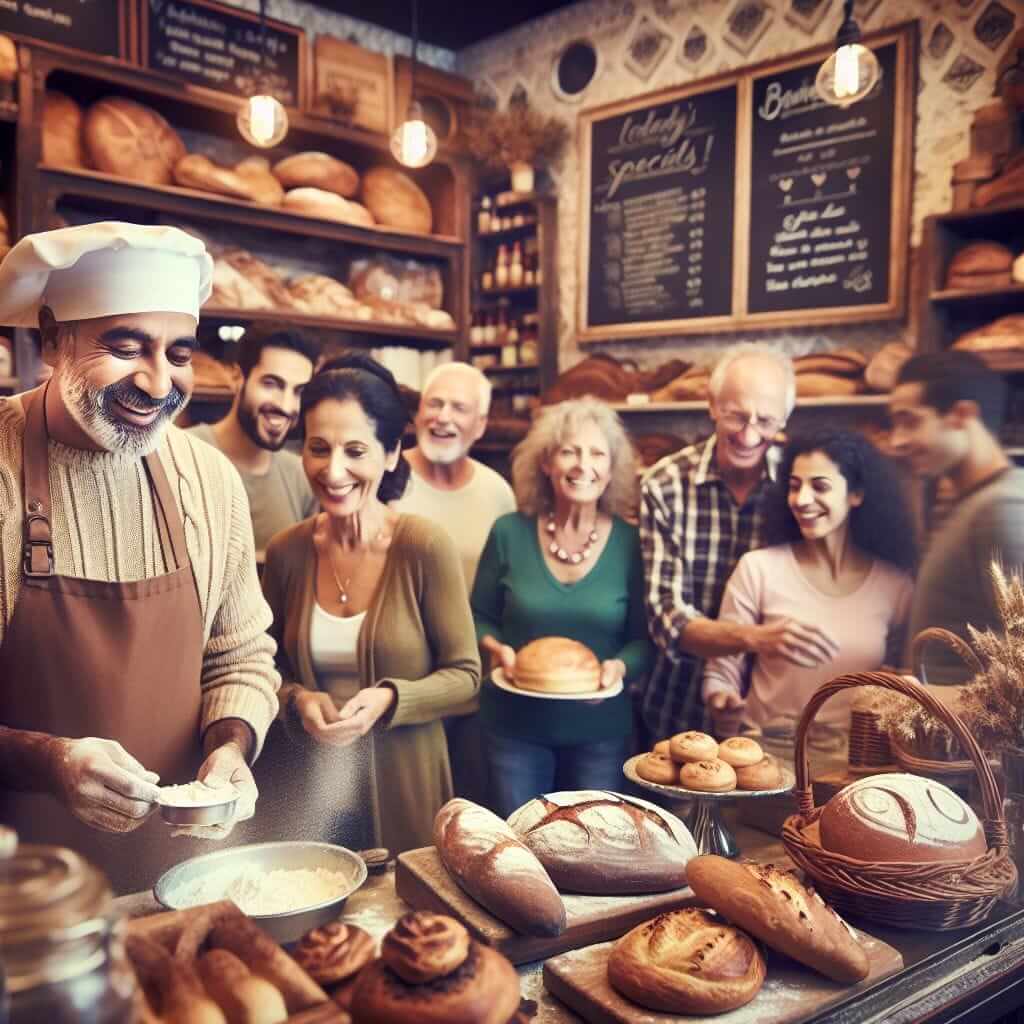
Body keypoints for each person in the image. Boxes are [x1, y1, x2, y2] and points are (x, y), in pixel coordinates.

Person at [0, 222, 280, 893]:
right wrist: (48, 761)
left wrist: (230, 746)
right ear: (51, 340)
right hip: (22, 891)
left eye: (178, 354)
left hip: (179, 875)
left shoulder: (210, 482)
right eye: (127, 348)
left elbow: (240, 657)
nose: (157, 384)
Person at [260, 353, 480, 855]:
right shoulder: (286, 551)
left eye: (355, 450)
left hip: (407, 788)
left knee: (408, 926)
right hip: (308, 792)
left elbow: (467, 678)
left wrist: (389, 699)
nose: (333, 471)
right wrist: (295, 699)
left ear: (390, 453)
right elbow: (260, 668)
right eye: (318, 448)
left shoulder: (424, 546)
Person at [639, 343, 839, 741]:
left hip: (776, 714)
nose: (749, 435)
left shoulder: (797, 486)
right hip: (679, 706)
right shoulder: (664, 485)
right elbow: (666, 618)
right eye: (735, 416)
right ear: (712, 405)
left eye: (765, 421)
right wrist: (755, 638)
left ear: (784, 419)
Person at [472, 398, 654, 816]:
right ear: (546, 463)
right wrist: (496, 649)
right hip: (514, 726)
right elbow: (479, 615)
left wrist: (620, 668)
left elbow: (643, 641)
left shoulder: (632, 543)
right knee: (518, 850)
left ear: (612, 471)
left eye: (596, 454)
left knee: (594, 853)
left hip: (601, 732)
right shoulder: (508, 533)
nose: (581, 465)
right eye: (569, 451)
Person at [702, 429, 916, 759]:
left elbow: (905, 680)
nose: (801, 500)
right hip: (767, 757)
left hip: (854, 763)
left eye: (819, 486)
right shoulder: (758, 568)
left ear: (856, 494)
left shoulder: (896, 585)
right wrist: (721, 697)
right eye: (794, 485)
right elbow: (723, 667)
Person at [392, 361, 515, 804]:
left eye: (458, 408)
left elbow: (506, 589)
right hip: (401, 690)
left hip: (475, 694)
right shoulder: (388, 480)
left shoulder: (498, 493)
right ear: (418, 413)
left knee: (471, 812)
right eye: (434, 403)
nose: (443, 417)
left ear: (479, 424)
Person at [890, 350, 1024, 682]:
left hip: (975, 735)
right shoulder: (972, 504)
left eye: (911, 421)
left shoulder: (1001, 508)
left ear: (962, 415)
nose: (897, 440)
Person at [189, 326, 319, 555]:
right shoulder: (185, 454)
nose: (286, 405)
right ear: (238, 378)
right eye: (271, 384)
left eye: (298, 392)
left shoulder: (302, 476)